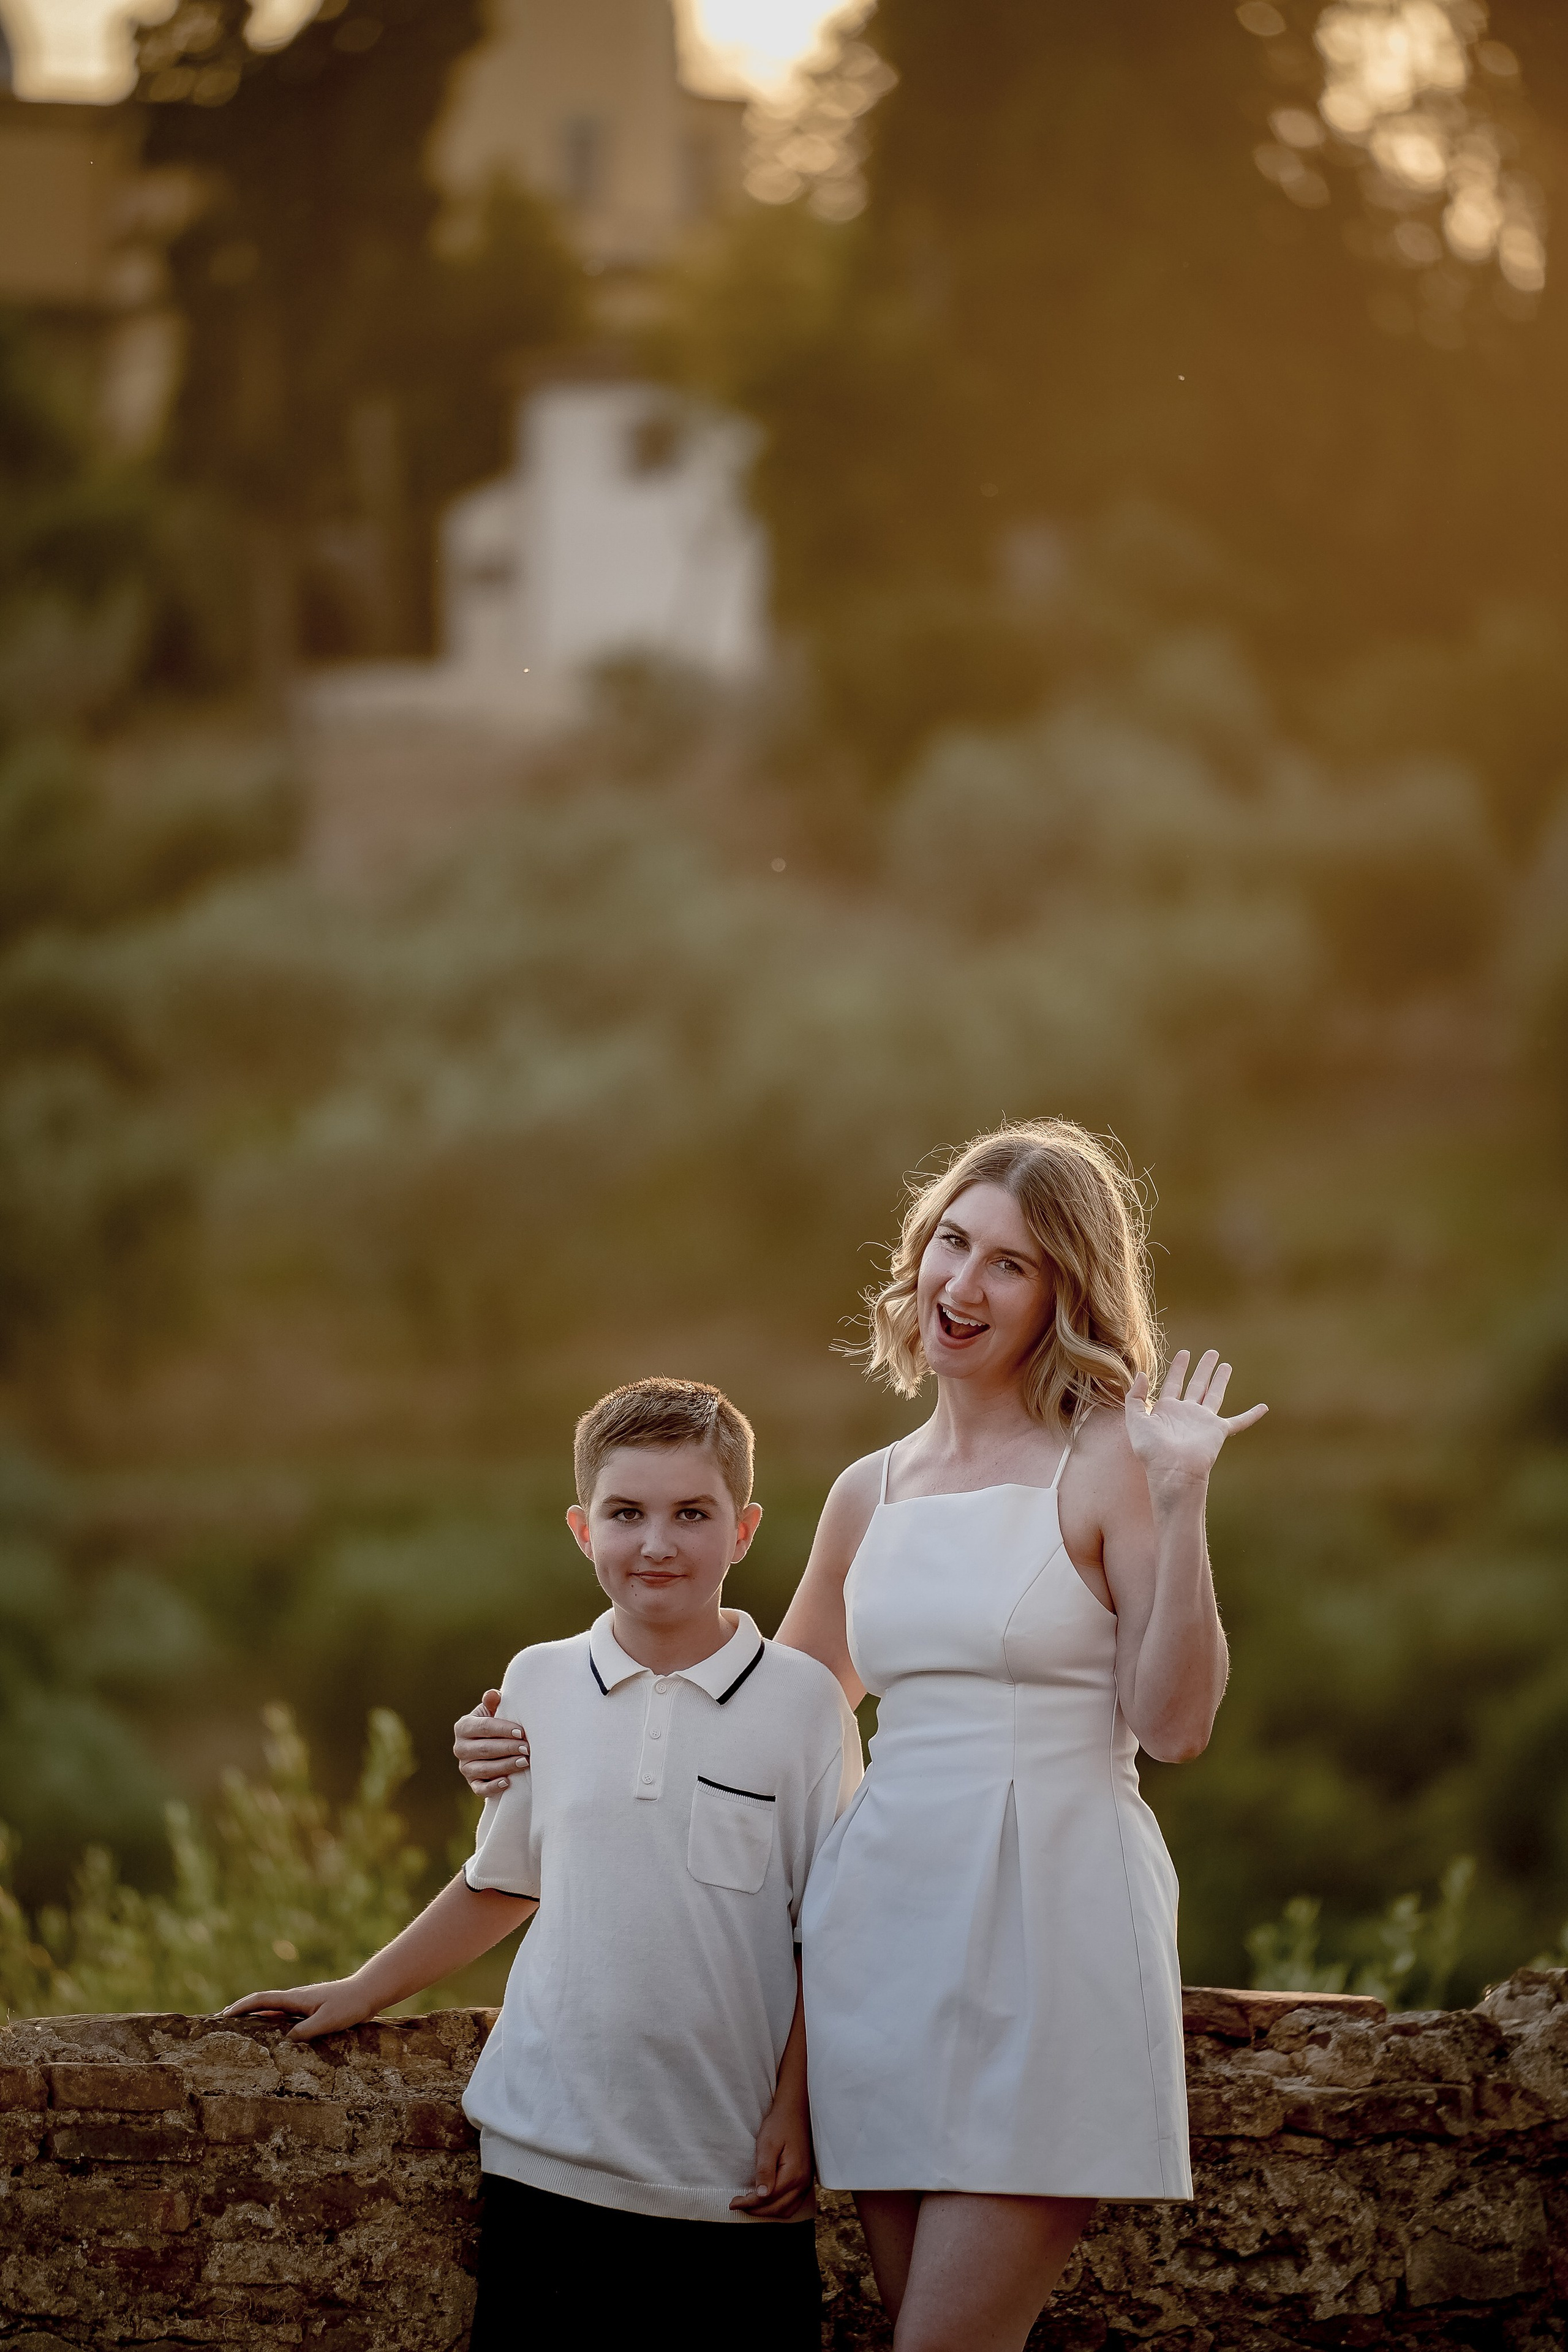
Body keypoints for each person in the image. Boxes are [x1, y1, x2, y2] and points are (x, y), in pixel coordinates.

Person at [456, 1120, 1265, 2352]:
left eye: (1010, 1263)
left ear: (1064, 1293)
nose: (961, 1282)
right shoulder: (866, 1491)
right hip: (879, 1929)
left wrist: (1182, 1496)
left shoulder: (1115, 1466)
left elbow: (1174, 1723)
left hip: (1055, 1914)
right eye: (951, 1241)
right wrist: (539, 1723)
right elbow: (759, 1712)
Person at [227, 1377, 862, 2352]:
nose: (657, 1543)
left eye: (692, 1513)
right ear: (581, 1528)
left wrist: (796, 2109)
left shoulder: (807, 1706)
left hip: (731, 2173)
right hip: (542, 2160)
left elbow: (832, 1932)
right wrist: (362, 1989)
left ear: (743, 1530)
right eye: (627, 1513)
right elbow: (501, 1882)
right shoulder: (537, 1681)